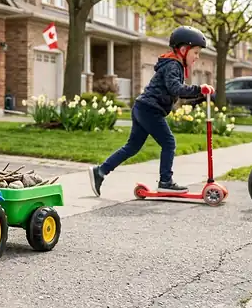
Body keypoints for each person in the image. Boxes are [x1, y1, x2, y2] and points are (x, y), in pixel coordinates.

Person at [88, 26, 215, 197]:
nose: (197, 57)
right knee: (169, 143)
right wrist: (199, 89)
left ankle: (100, 171)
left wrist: (198, 93)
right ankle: (165, 182)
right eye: (196, 52)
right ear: (183, 50)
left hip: (142, 107)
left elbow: (174, 90)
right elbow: (175, 88)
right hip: (150, 109)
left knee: (132, 147)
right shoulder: (173, 65)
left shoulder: (173, 64)